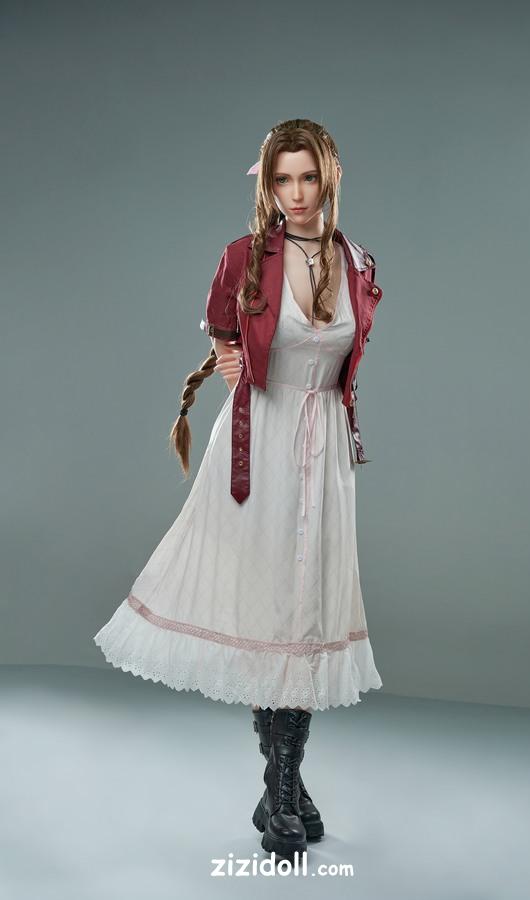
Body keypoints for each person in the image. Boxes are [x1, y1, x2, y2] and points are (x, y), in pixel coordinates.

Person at [93, 118, 384, 860]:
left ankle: (281, 788)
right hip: (260, 441)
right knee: (268, 605)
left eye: (308, 177)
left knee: (306, 610)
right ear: (268, 184)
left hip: (325, 450)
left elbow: (345, 362)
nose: (296, 194)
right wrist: (231, 361)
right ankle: (285, 794)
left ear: (330, 178)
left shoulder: (357, 262)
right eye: (282, 179)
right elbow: (225, 333)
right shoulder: (244, 258)